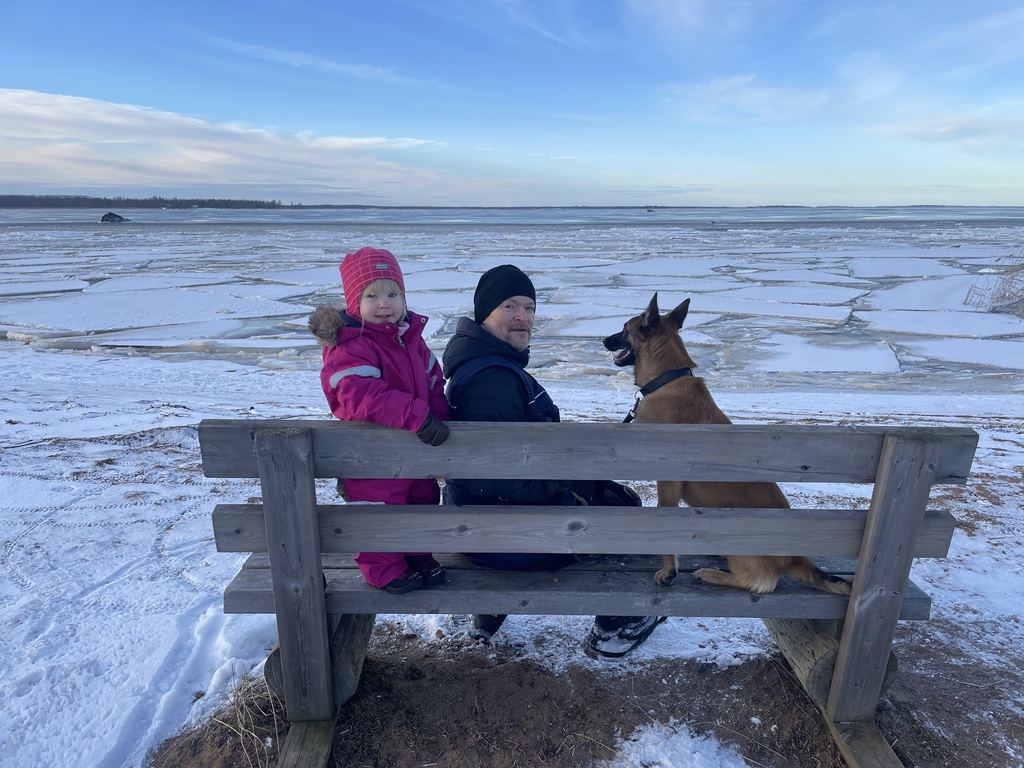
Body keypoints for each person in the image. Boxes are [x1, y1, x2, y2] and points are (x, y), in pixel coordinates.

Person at [441, 264, 666, 658]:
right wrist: (566, 490)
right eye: (509, 306)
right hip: (501, 537)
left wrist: (575, 476)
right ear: (483, 314)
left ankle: (490, 611)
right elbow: (493, 481)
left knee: (608, 494)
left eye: (529, 307)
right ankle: (617, 625)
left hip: (481, 523)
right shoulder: (491, 382)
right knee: (624, 512)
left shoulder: (485, 366)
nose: (522, 317)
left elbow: (506, 467)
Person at [309, 246, 451, 594]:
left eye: (392, 293)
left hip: (415, 449)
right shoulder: (351, 345)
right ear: (353, 303)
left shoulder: (412, 342)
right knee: (380, 509)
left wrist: (446, 420)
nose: (384, 303)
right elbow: (361, 396)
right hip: (370, 454)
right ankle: (383, 568)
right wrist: (418, 417)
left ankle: (417, 554)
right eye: (371, 295)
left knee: (421, 499)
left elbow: (434, 383)